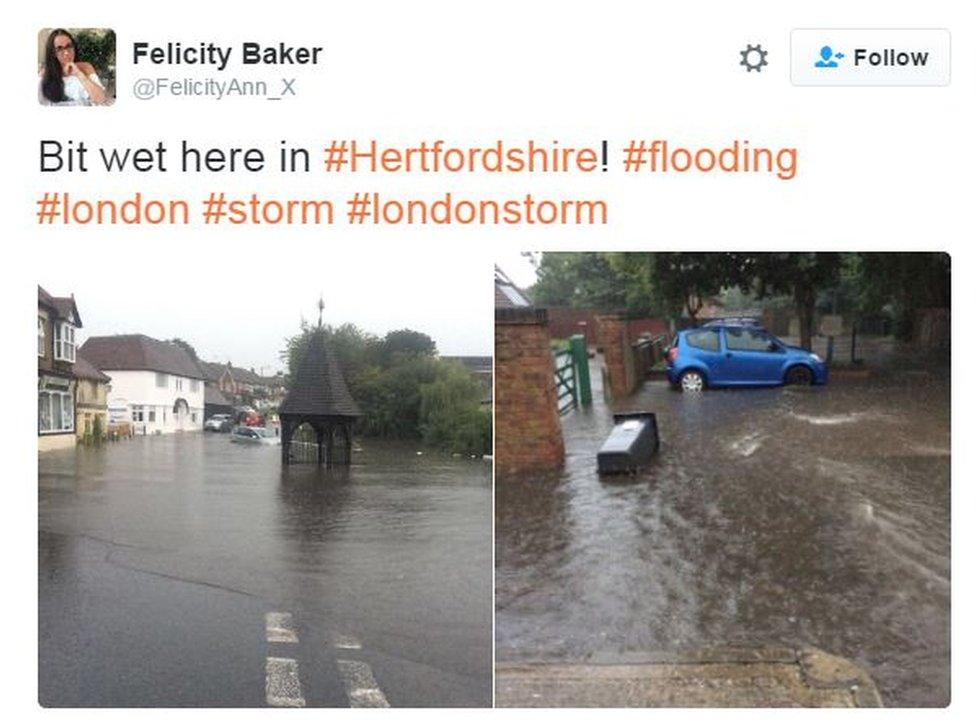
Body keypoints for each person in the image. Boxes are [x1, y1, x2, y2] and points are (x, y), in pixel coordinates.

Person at [39, 29, 107, 106]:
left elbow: (101, 99)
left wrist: (78, 73)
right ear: (53, 53)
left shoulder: (85, 67)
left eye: (69, 46)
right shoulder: (46, 73)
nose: (66, 52)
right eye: (59, 48)